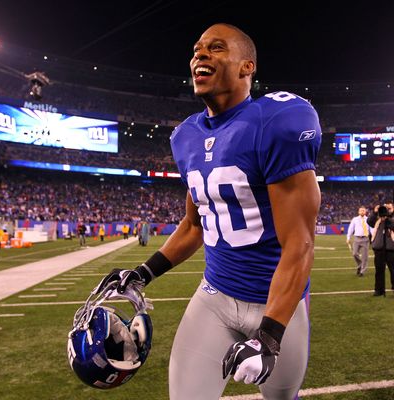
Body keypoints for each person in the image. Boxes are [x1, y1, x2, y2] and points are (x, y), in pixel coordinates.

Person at [96, 23, 321, 400]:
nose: (200, 54)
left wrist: (269, 336)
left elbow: (300, 244)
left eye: (216, 48)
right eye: (197, 48)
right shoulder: (185, 136)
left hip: (278, 304)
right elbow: (193, 223)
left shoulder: (276, 122)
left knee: (281, 398)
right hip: (214, 297)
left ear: (247, 66)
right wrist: (142, 273)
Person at [370, 205, 394, 296]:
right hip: (379, 249)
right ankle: (379, 290)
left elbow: (392, 225)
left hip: (390, 249)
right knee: (379, 270)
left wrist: (389, 215)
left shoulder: (391, 219)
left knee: (393, 269)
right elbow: (369, 222)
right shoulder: (377, 220)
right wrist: (375, 212)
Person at [346, 206, 371, 276]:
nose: (362, 211)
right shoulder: (355, 219)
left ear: (365, 212)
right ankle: (360, 265)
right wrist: (348, 237)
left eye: (363, 210)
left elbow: (371, 228)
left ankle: (362, 271)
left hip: (365, 239)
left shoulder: (368, 219)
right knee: (354, 253)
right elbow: (351, 228)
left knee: (364, 256)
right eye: (361, 210)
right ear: (358, 212)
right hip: (357, 238)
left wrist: (373, 237)